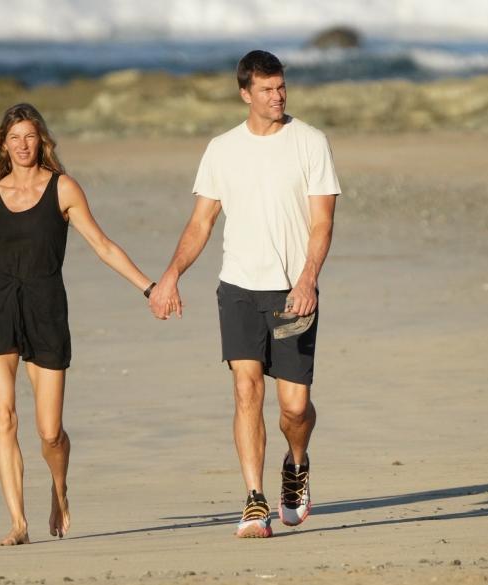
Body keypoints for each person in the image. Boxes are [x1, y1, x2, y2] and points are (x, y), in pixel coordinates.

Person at [0, 103, 154, 546]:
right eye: (13, 138)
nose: (22, 145)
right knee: (4, 417)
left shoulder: (63, 189)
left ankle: (60, 491)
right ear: (3, 144)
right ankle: (18, 522)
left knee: (50, 432)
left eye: (30, 137)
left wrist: (149, 288)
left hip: (47, 306)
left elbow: (103, 245)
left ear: (42, 142)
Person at [149, 50, 341, 538]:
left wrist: (308, 278)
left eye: (281, 88)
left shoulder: (311, 143)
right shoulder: (222, 149)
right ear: (245, 93)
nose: (277, 97)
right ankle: (254, 499)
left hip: (292, 291)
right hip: (238, 288)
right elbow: (201, 223)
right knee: (246, 389)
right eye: (266, 90)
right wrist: (171, 274)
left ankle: (296, 464)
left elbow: (322, 223)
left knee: (294, 408)